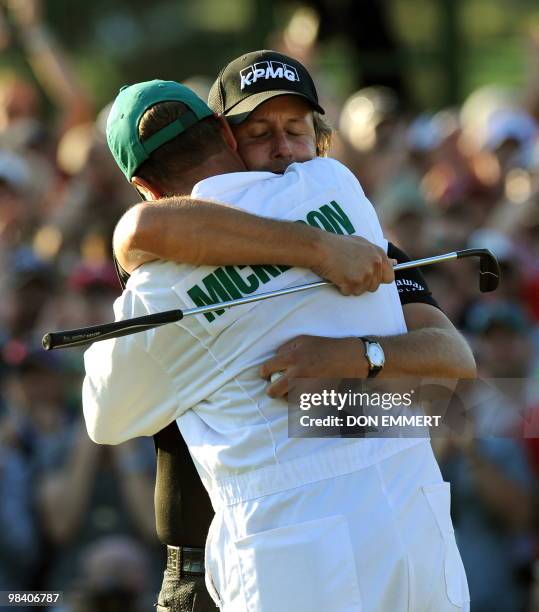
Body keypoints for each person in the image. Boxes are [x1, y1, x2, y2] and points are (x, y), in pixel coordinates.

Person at [83, 78, 471, 611]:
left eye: (295, 129)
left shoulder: (157, 290)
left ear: (141, 183)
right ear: (227, 133)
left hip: (287, 539)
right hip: (405, 516)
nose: (284, 149)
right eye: (262, 131)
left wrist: (349, 363)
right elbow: (143, 228)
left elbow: (105, 420)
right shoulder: (338, 192)